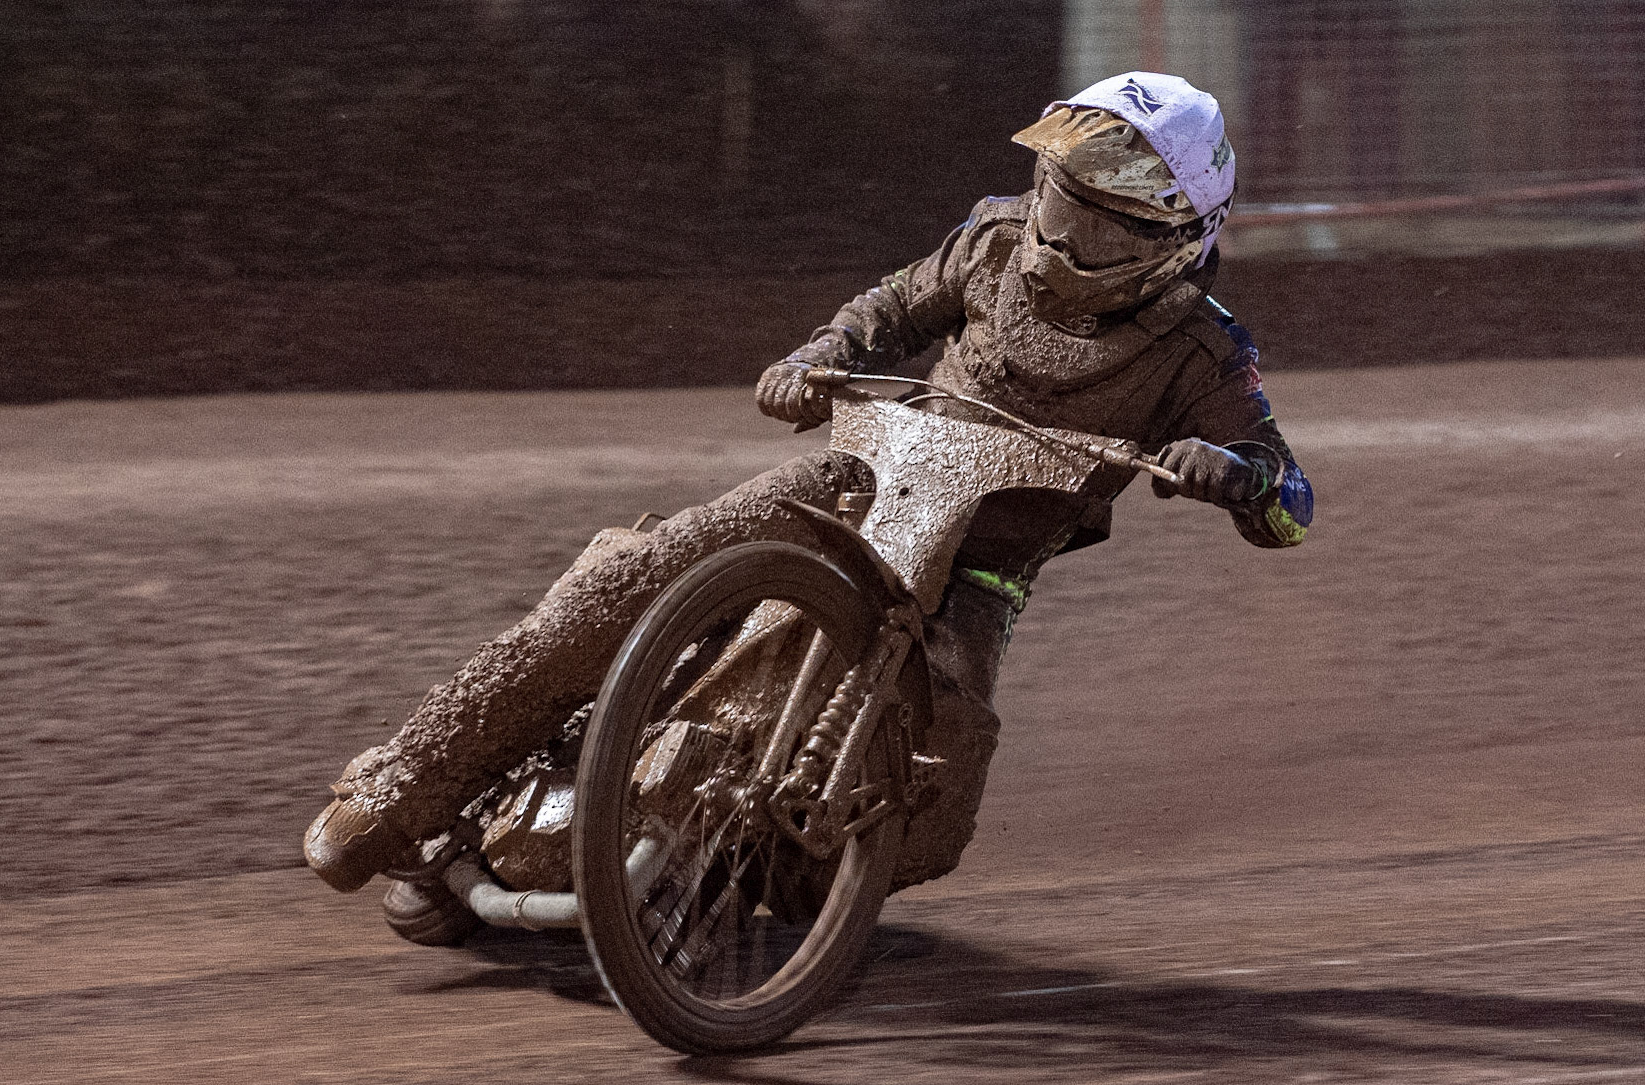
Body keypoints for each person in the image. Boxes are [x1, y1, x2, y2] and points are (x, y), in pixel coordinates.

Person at [304, 71, 1314, 895]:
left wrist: (1229, 472)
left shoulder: (1205, 355)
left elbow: (1290, 501)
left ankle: (723, 886)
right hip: (860, 474)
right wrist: (822, 349)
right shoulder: (994, 239)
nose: (1060, 235)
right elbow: (890, 308)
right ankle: (402, 781)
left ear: (1172, 239)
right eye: (1058, 200)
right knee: (636, 577)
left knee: (936, 804)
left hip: (980, 574)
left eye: (1097, 226)